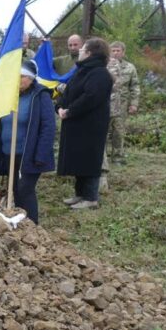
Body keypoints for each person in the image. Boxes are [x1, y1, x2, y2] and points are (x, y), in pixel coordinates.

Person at [0, 60, 56, 224]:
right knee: (15, 190)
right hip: (9, 153)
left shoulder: (40, 96)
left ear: (31, 78)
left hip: (30, 153)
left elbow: (48, 127)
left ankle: (32, 225)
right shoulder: (9, 96)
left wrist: (41, 154)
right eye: (16, 76)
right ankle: (21, 222)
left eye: (22, 76)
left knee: (25, 189)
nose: (18, 80)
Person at [57, 37, 113, 210]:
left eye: (82, 50)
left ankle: (90, 198)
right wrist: (59, 107)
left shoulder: (100, 74)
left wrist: (70, 111)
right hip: (76, 124)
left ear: (89, 53)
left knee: (89, 160)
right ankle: (80, 194)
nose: (79, 51)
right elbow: (68, 92)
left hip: (90, 126)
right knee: (79, 160)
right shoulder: (81, 71)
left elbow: (90, 97)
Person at [105, 40, 141, 164]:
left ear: (123, 52)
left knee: (119, 132)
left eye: (118, 51)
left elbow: (135, 87)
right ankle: (101, 157)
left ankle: (117, 157)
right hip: (105, 105)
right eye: (113, 51)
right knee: (103, 131)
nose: (115, 53)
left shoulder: (130, 68)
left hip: (121, 106)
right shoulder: (104, 66)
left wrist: (134, 104)